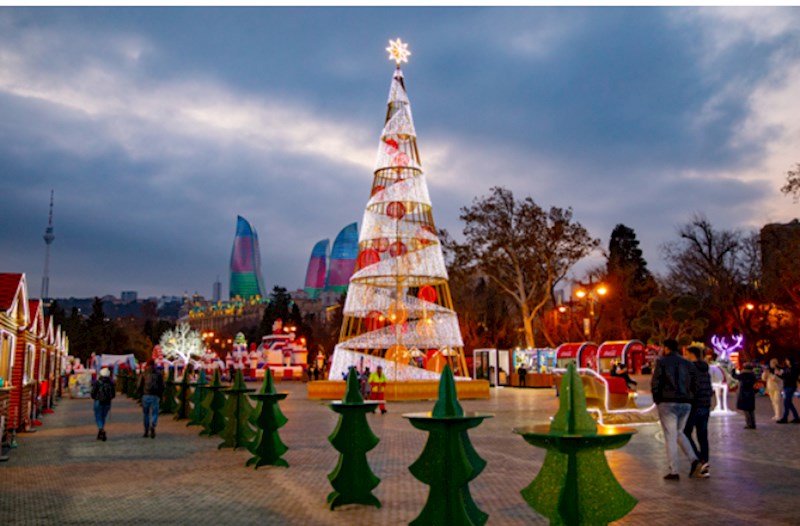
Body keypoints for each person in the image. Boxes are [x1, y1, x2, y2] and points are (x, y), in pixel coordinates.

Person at [651, 339, 703, 480]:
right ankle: (694, 460)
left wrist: (657, 399)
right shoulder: (687, 363)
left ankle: (674, 471)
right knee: (680, 432)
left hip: (667, 402)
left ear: (666, 348)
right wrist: (690, 398)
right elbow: (694, 383)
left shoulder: (662, 362)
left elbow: (656, 382)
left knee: (670, 436)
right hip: (685, 402)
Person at [683, 347, 712, 477]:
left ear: (692, 355)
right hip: (705, 405)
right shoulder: (705, 369)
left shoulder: (690, 368)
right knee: (702, 435)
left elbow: (689, 387)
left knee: (685, 432)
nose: (686, 356)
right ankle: (704, 461)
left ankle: (699, 460)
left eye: (687, 354)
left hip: (694, 405)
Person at [138, 359, 164, 438]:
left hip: (145, 395)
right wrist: (161, 394)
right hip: (155, 395)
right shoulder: (158, 373)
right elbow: (162, 385)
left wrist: (140, 393)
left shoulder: (144, 373)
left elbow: (139, 385)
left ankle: (146, 430)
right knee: (155, 412)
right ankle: (153, 425)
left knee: (146, 414)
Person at [90, 367, 115, 441]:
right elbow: (113, 394)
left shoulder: (98, 382)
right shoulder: (111, 383)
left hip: (98, 401)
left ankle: (101, 429)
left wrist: (95, 397)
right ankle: (101, 430)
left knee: (98, 416)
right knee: (103, 416)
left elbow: (93, 392)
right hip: (107, 402)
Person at [733, 362, 757, 429]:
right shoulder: (752, 375)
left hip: (744, 393)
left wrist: (733, 369)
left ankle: (749, 424)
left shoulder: (743, 374)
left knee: (746, 410)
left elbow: (735, 376)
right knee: (751, 409)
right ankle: (753, 423)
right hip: (751, 393)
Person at [777, 357, 800, 424]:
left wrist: (782, 375)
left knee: (786, 402)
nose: (786, 361)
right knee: (789, 403)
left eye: (787, 360)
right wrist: (779, 375)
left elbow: (791, 377)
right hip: (786, 386)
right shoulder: (787, 368)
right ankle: (796, 418)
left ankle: (785, 418)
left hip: (791, 387)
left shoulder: (794, 368)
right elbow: (784, 377)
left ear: (790, 361)